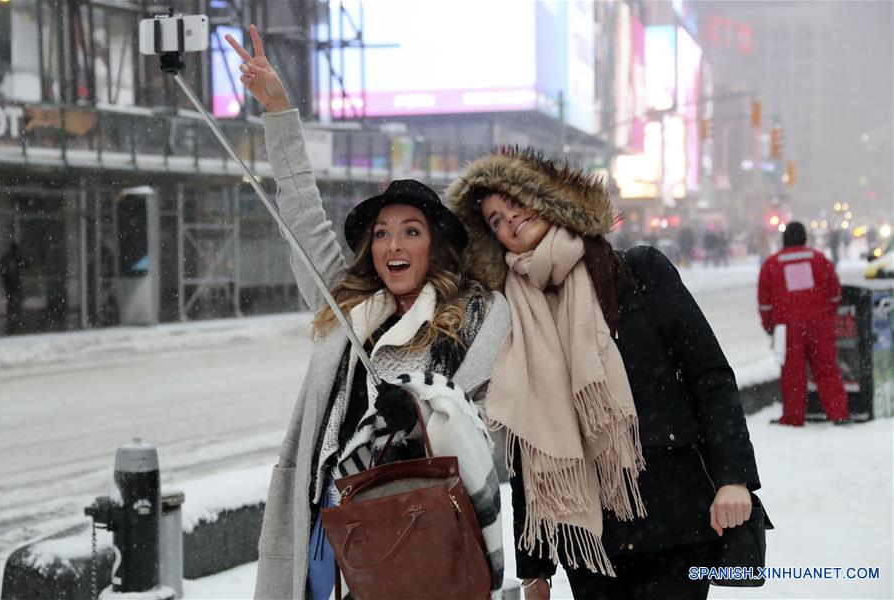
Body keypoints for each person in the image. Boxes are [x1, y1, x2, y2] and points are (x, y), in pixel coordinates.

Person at [226, 26, 511, 600]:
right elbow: (302, 214)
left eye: (411, 231)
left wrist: (419, 410)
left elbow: (487, 430)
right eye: (382, 234)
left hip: (414, 523)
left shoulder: (478, 312)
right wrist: (279, 111)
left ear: (436, 245)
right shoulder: (346, 303)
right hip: (323, 518)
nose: (393, 245)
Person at [447, 147, 760, 600]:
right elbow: (528, 436)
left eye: (515, 202)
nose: (509, 221)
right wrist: (536, 566)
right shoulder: (514, 316)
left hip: (672, 520)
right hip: (588, 545)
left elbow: (710, 376)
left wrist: (734, 477)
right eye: (494, 220)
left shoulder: (638, 271)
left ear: (550, 198)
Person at [758, 222, 849, 426]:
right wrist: (827, 315)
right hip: (820, 323)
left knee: (793, 373)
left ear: (784, 239)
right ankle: (839, 414)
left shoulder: (772, 264)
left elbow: (765, 303)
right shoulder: (819, 259)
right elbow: (835, 293)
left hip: (788, 326)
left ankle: (793, 417)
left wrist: (770, 325)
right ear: (805, 238)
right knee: (826, 369)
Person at [0, 241, 25, 334]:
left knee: (12, 299)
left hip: (10, 283)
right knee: (14, 299)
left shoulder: (9, 258)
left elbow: (2, 270)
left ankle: (12, 315)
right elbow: (25, 265)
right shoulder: (14, 258)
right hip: (13, 283)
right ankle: (13, 315)